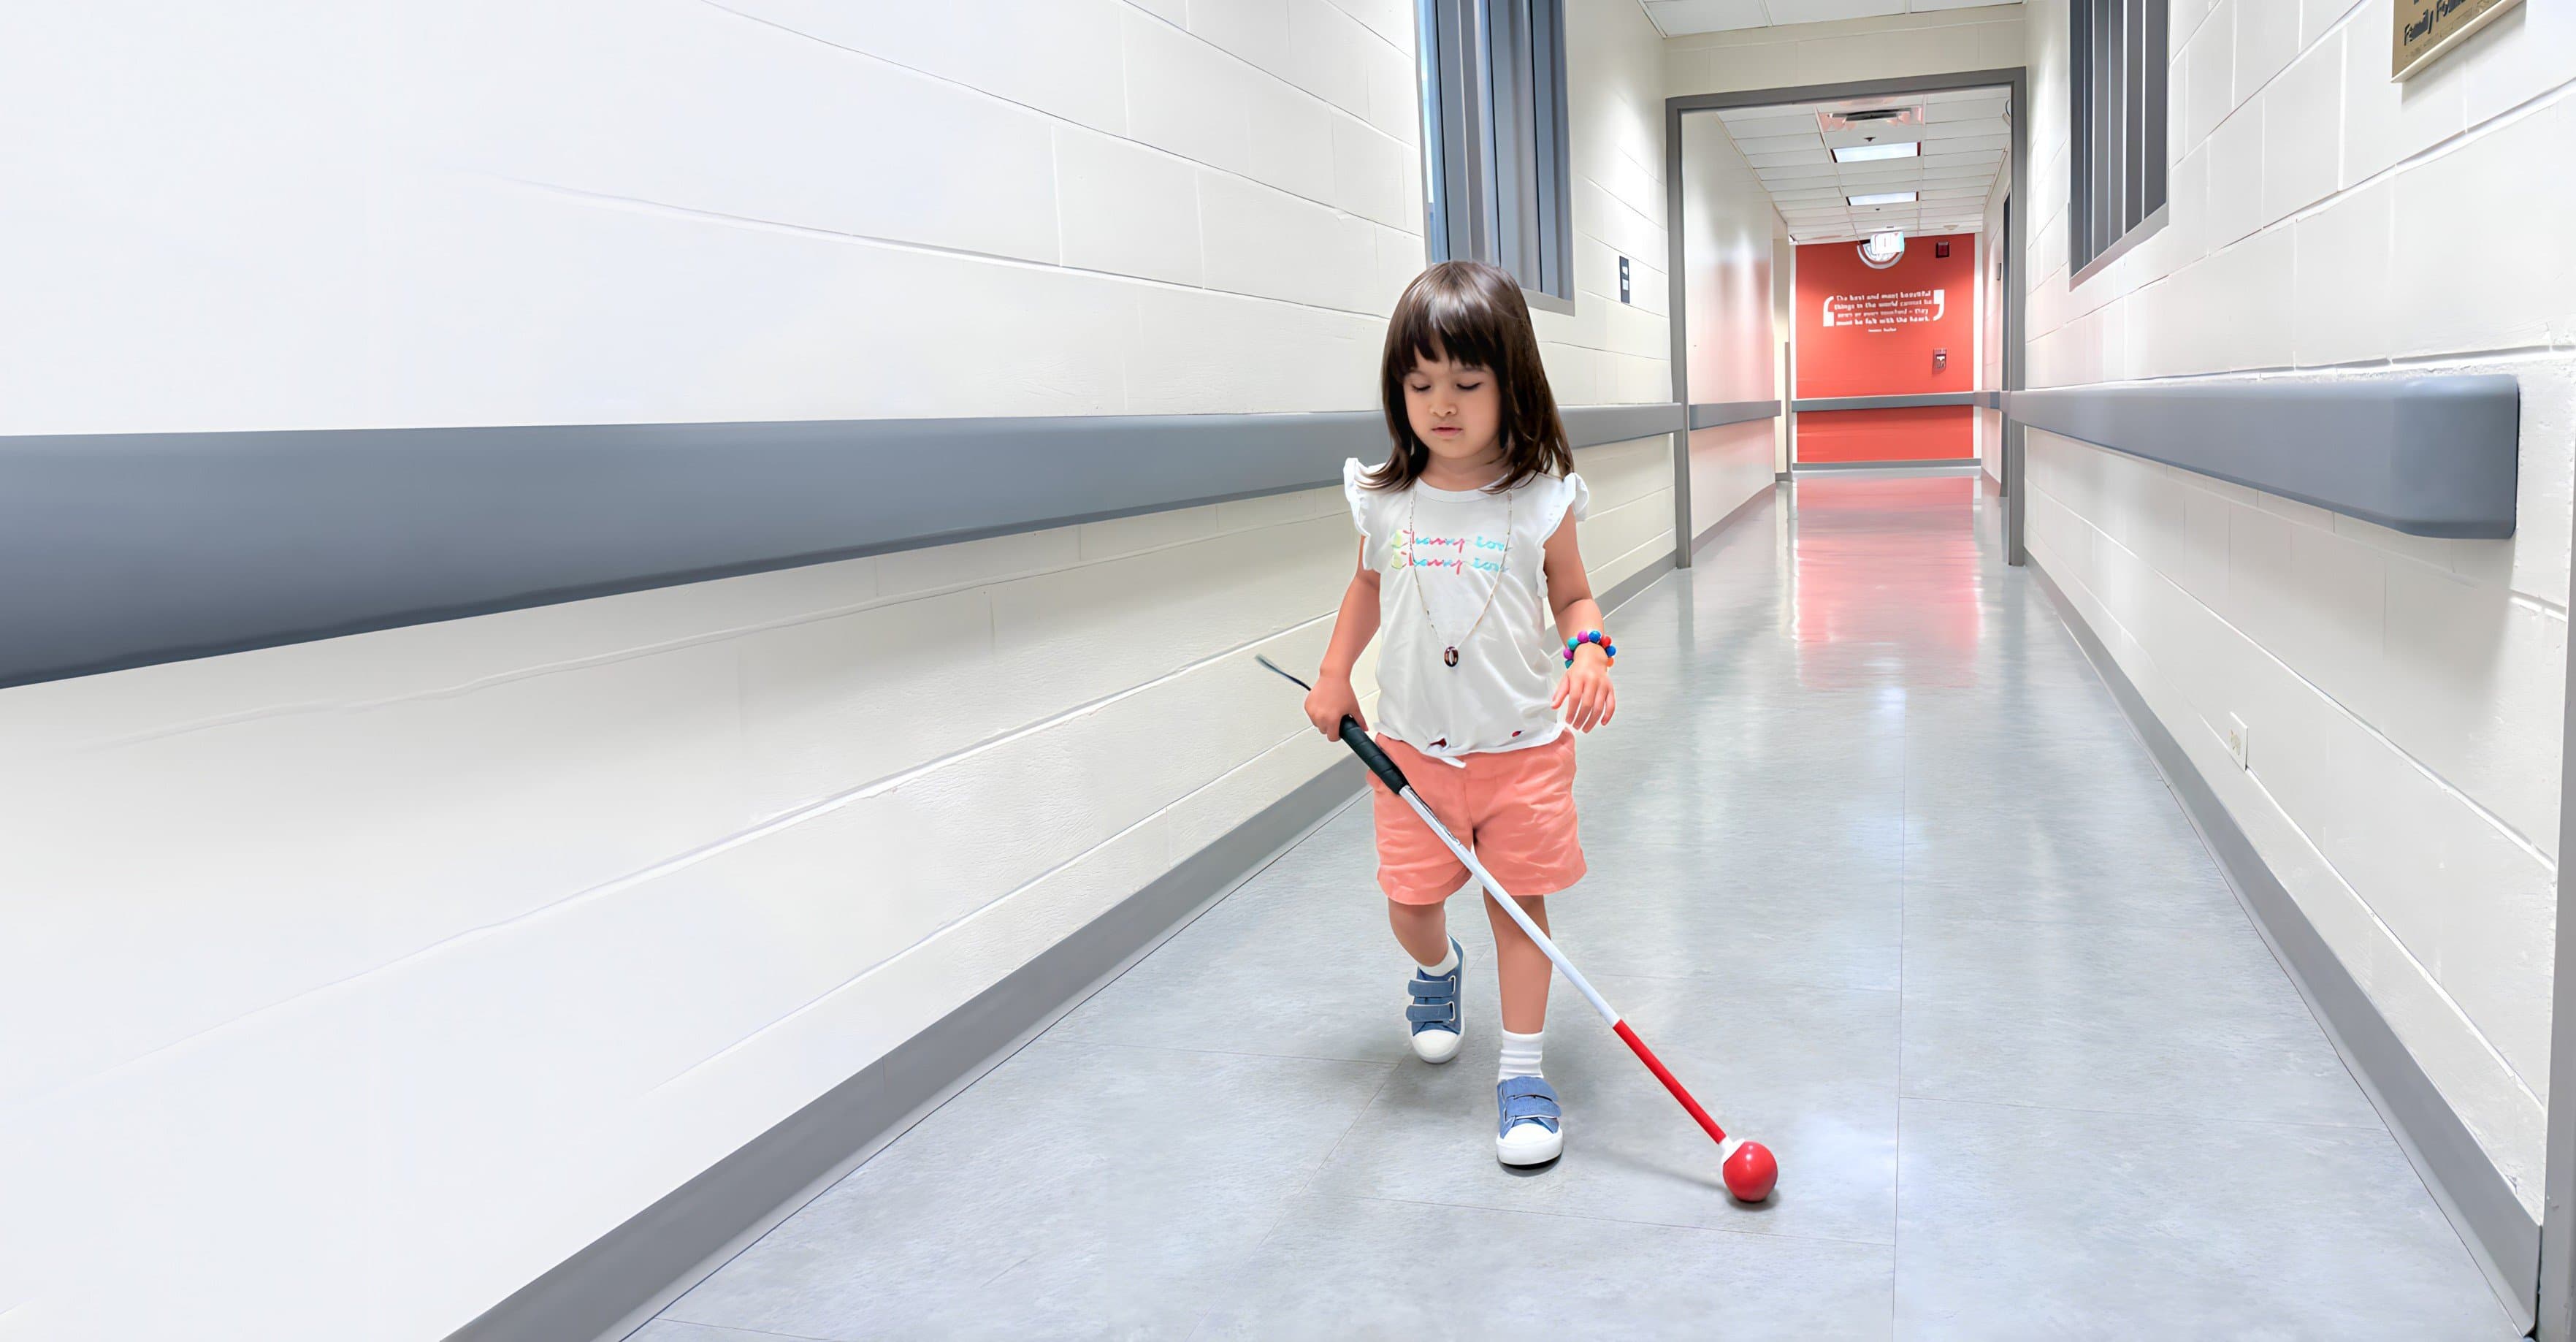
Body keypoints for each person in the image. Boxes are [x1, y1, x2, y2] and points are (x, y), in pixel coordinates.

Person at [1302, 259, 1616, 1167]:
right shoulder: (1386, 496)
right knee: (1409, 904)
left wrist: (1589, 651)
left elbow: (1575, 600)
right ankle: (1437, 973)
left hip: (1521, 747)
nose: (1441, 403)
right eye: (1419, 382)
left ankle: (1522, 1072)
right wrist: (1334, 677)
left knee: (1519, 913)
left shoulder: (1539, 497)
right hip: (1409, 751)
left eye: (1466, 382)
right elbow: (1363, 589)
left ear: (1510, 382)